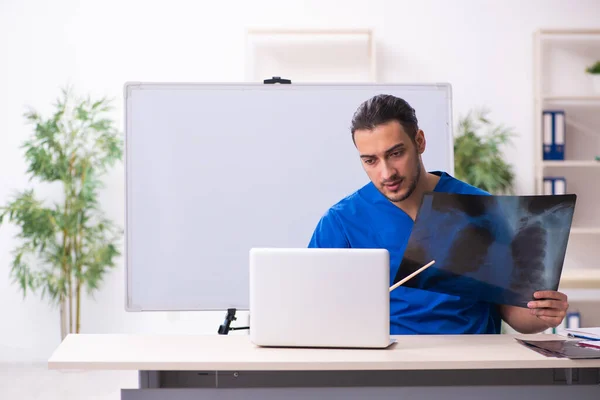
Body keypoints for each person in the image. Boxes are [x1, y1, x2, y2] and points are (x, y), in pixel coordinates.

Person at [308, 94, 569, 335]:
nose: (386, 173)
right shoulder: (341, 222)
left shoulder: (480, 208)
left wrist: (543, 314)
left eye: (396, 154)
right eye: (370, 161)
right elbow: (313, 311)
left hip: (472, 365)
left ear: (419, 141)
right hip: (387, 368)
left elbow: (513, 312)